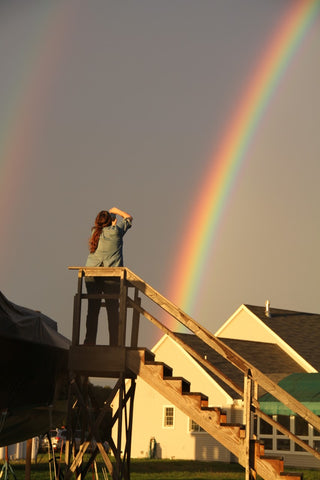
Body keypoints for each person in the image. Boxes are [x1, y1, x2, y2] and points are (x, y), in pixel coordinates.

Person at [84, 207, 133, 345]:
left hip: (91, 274)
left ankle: (89, 341)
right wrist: (116, 210)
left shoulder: (94, 232)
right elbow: (129, 218)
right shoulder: (116, 232)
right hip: (111, 275)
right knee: (112, 309)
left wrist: (111, 221)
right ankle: (114, 343)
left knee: (93, 308)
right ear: (111, 221)